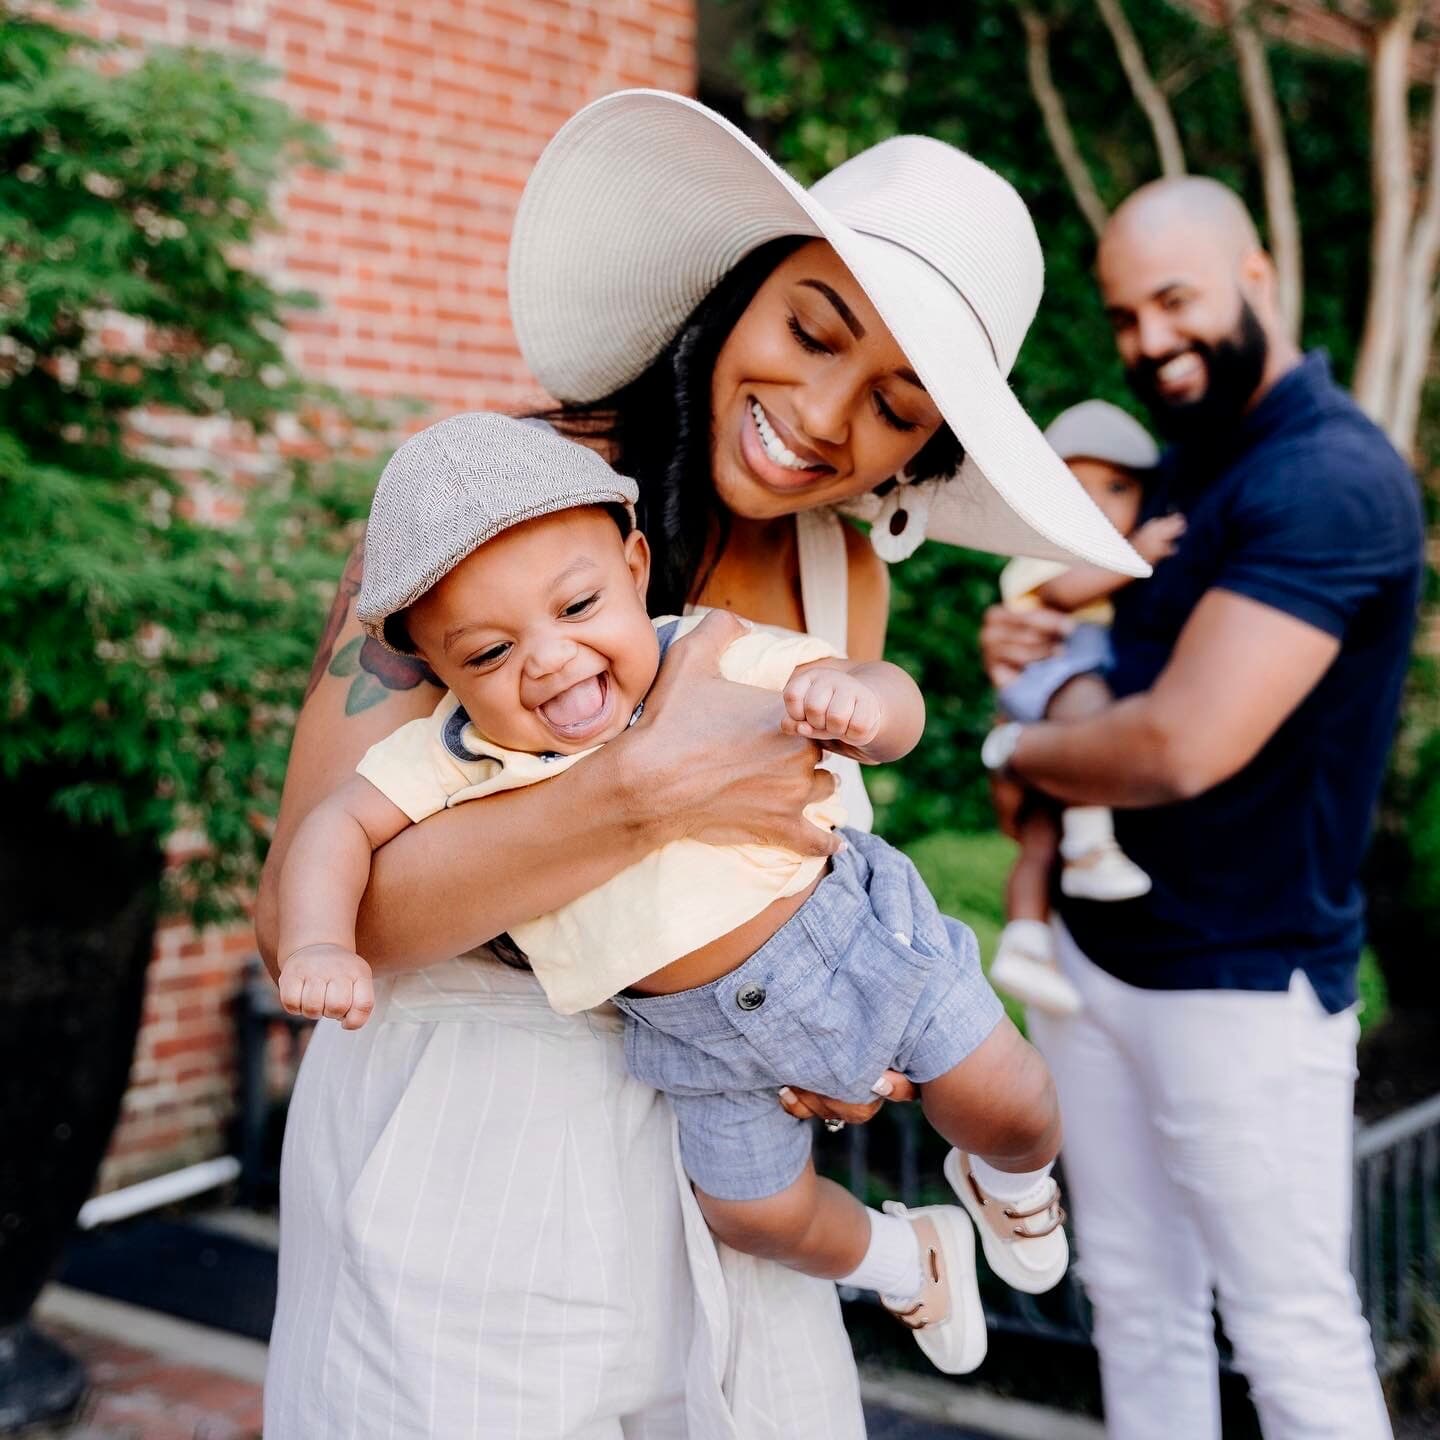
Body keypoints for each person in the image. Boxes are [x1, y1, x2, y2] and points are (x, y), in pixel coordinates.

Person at [257, 89, 1145, 1440]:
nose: (823, 415)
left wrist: (830, 1029)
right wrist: (641, 788)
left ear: (926, 449)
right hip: (464, 1148)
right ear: (734, 293)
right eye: (811, 329)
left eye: (896, 404)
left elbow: (790, 881)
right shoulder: (498, 512)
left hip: (719, 1163)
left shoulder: (840, 576)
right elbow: (308, 922)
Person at [276, 413, 1070, 1377]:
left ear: (636, 567)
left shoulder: (709, 652)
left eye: (577, 607)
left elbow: (883, 694)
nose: (549, 659)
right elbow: (335, 827)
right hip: (691, 1040)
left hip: (854, 944)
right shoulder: (456, 754)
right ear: (433, 669)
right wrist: (321, 944)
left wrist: (864, 706)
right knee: (751, 1216)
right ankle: (906, 1256)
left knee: (1012, 1101)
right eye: (486, 654)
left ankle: (1013, 1181)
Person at [978, 176, 1423, 1440]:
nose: (1149, 340)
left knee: (1289, 1330)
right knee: (1135, 1303)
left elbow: (1177, 747)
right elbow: (1125, 678)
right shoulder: (1183, 475)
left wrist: (1018, 732)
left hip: (1242, 979)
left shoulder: (1330, 480)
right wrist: (1039, 632)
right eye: (1125, 316)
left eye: (1175, 300)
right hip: (1097, 957)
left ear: (1258, 276)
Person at [990, 400, 1182, 1017]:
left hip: (1053, 692)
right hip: (1053, 682)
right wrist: (1140, 553)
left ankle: (1024, 941)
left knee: (1039, 838)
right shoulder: (1049, 551)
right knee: (1098, 718)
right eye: (1077, 485)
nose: (1097, 502)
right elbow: (1065, 594)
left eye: (1118, 487)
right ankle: (1093, 848)